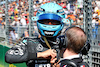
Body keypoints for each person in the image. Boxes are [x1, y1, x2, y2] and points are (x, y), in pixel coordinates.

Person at [5, 3, 65, 67]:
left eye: (54, 22)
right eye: (45, 21)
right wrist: (40, 55)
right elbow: (9, 57)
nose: (49, 25)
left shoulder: (65, 42)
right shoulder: (30, 43)